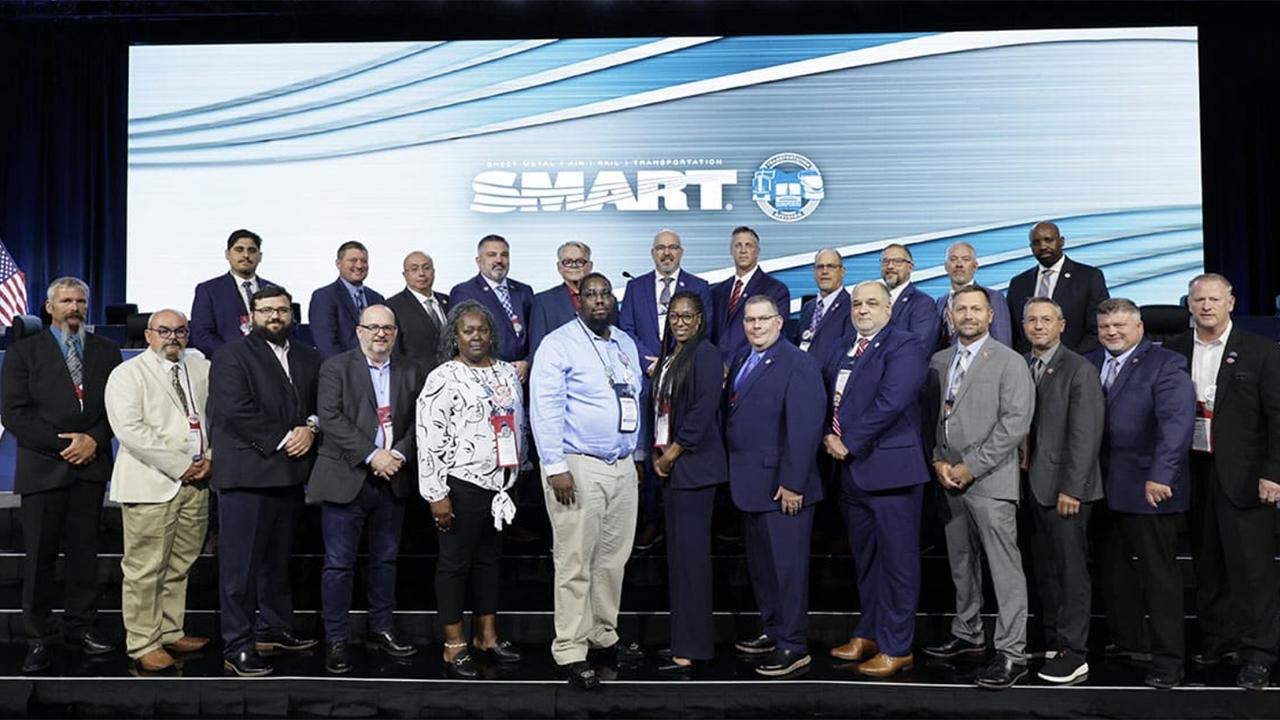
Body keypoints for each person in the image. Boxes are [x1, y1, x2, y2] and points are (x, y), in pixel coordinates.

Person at [1164, 273, 1280, 691]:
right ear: (1189, 305)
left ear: (1231, 303)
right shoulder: (1173, 350)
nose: (1206, 306)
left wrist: (1274, 473)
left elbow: (1278, 417)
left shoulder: (1262, 352)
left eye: (1214, 299)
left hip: (1246, 477)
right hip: (1194, 474)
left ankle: (1259, 654)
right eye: (1199, 300)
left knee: (1252, 571)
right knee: (1208, 564)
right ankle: (1218, 640)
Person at [2, 277, 122, 674]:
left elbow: (116, 409)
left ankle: (82, 626)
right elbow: (14, 413)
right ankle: (39, 636)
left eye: (81, 301)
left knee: (84, 556)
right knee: (39, 559)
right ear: (49, 307)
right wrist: (66, 445)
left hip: (90, 468)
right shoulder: (23, 353)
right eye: (66, 300)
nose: (75, 307)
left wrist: (94, 439)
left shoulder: (107, 352)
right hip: (44, 469)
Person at [531, 272, 644, 690]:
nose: (599, 300)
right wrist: (554, 466)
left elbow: (635, 402)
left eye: (605, 294)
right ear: (577, 300)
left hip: (622, 464)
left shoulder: (626, 343)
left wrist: (640, 456)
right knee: (575, 562)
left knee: (613, 561)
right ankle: (571, 650)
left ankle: (602, 635)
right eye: (590, 294)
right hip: (577, 466)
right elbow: (544, 409)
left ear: (613, 300)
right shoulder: (558, 343)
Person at [923, 284, 1034, 690]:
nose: (967, 315)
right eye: (960, 309)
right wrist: (937, 460)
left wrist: (970, 466)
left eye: (976, 309)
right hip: (948, 479)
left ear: (990, 316)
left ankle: (1012, 652)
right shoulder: (938, 360)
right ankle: (968, 632)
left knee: (1004, 570)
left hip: (989, 481)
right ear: (950, 316)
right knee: (960, 564)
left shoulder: (1009, 361)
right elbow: (934, 419)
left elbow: (1014, 425)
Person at [208, 286, 320, 677]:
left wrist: (311, 427)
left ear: (293, 315)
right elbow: (236, 411)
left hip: (289, 477)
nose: (275, 316)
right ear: (251, 315)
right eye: (267, 310)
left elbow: (316, 407)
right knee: (239, 571)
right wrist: (288, 437)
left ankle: (273, 630)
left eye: (283, 310)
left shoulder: (308, 356)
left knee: (276, 564)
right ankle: (237, 645)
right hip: (247, 477)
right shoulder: (230, 356)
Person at [307, 304, 423, 675]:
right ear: (359, 332)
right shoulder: (335, 367)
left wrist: (398, 456)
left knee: (386, 562)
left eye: (387, 328)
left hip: (394, 479)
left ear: (396, 333)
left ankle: (383, 629)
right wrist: (374, 456)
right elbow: (332, 419)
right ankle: (337, 639)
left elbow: (419, 421)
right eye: (372, 327)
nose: (380, 334)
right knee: (339, 565)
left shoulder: (410, 370)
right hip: (348, 478)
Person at [822, 282, 929, 677]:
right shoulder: (842, 347)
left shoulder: (904, 345)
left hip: (891, 473)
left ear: (888, 308)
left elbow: (891, 400)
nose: (863, 309)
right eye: (857, 303)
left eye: (871, 303)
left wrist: (847, 442)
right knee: (866, 562)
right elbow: (831, 399)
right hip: (851, 474)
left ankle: (897, 645)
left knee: (898, 564)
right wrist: (827, 435)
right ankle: (869, 632)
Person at [1088, 298, 1195, 689]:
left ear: (1139, 328)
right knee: (1115, 573)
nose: (1111, 333)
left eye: (1119, 325)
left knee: (1160, 578)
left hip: (1150, 487)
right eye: (1104, 327)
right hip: (1101, 486)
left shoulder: (1166, 364)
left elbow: (1177, 425)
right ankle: (1130, 642)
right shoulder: (1089, 361)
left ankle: (1169, 660)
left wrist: (1161, 475)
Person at [418, 301, 527, 679]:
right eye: (468, 330)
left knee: (489, 563)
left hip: (501, 486)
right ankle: (454, 645)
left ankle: (487, 637)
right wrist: (436, 494)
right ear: (455, 336)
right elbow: (428, 439)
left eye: (482, 329)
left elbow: (519, 423)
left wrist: (516, 474)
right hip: (460, 486)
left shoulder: (506, 374)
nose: (476, 336)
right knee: (454, 565)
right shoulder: (442, 377)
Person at [104, 309, 212, 673]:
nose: (173, 336)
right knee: (144, 569)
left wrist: (208, 458)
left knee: (180, 565)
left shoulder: (201, 368)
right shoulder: (127, 374)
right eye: (164, 330)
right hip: (152, 484)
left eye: (180, 330)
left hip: (198, 482)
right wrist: (181, 465)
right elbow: (131, 431)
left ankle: (169, 630)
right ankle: (143, 642)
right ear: (148, 335)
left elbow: (216, 418)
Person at [725, 295, 825, 677]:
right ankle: (775, 630)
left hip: (784, 489)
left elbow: (804, 427)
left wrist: (793, 483)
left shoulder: (798, 363)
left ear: (780, 322)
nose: (756, 326)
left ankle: (794, 644)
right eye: (750, 320)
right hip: (750, 485)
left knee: (788, 572)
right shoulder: (741, 359)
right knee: (764, 570)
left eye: (763, 319)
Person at [1019, 297, 1104, 684]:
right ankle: (1053, 642)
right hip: (1030, 486)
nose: (1038, 326)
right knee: (1046, 571)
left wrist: (1073, 488)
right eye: (1032, 320)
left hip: (1065, 490)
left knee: (1071, 574)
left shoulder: (1079, 368)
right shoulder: (1020, 364)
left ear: (1062, 325)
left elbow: (1085, 435)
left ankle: (1075, 653)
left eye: (1046, 320)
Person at [648, 291, 727, 676]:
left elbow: (700, 411)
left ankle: (695, 645)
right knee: (678, 561)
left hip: (693, 470)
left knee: (692, 562)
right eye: (674, 316)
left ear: (699, 319)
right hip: (671, 470)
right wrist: (657, 451)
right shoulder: (669, 358)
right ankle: (682, 640)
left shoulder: (706, 354)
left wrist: (672, 453)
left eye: (686, 316)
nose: (679, 322)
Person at [617, 229, 711, 552]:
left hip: (684, 379)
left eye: (672, 248)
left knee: (678, 443)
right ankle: (651, 520)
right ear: (652, 253)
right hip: (646, 381)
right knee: (648, 450)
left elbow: (704, 331)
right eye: (660, 248)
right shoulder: (635, 286)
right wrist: (651, 362)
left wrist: (675, 361)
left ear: (681, 252)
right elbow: (626, 331)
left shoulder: (699, 287)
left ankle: (672, 521)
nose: (666, 253)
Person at [1006, 221, 1109, 354]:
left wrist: (1070, 362)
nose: (1043, 246)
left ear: (1061, 241)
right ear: (1031, 247)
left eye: (1048, 240)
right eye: (1036, 242)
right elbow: (1014, 333)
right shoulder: (1018, 283)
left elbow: (1099, 327)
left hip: (1074, 366)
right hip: (1027, 368)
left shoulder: (1089, 277)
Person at [449, 234, 535, 383]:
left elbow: (534, 333)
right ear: (478, 261)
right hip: (485, 379)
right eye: (491, 255)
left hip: (524, 378)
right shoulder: (464, 292)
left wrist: (527, 362)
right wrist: (499, 367)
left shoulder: (524, 291)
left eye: (504, 255)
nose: (499, 260)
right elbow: (463, 341)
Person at [189, 229, 277, 358]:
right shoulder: (209, 290)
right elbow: (202, 335)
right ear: (227, 254)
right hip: (229, 365)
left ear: (260, 256)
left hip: (271, 362)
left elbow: (289, 328)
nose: (246, 255)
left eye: (252, 250)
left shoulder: (275, 290)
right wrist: (233, 357)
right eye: (239, 250)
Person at [710, 226, 791, 364]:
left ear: (757, 251)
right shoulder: (717, 292)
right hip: (715, 371)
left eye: (748, 245)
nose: (743, 250)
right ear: (731, 251)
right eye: (738, 245)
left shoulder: (776, 290)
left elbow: (773, 336)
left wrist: (733, 364)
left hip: (751, 369)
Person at [530, 241, 616, 358]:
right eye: (567, 262)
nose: (574, 266)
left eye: (580, 261)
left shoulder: (607, 300)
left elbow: (617, 339)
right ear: (559, 268)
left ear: (590, 266)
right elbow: (538, 349)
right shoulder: (542, 302)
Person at [310, 241, 386, 360]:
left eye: (364, 261)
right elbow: (327, 346)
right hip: (342, 373)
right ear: (338, 264)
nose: (359, 266)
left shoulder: (377, 298)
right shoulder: (324, 297)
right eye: (353, 260)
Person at [934, 242, 1012, 348]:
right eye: (953, 259)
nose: (959, 264)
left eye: (965, 259)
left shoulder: (993, 297)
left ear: (975, 266)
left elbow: (1003, 344)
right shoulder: (940, 302)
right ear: (946, 267)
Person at [384, 251, 450, 375]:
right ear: (405, 275)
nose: (421, 273)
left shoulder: (448, 301)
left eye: (426, 268)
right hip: (416, 380)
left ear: (433, 272)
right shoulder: (392, 306)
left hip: (452, 378)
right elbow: (394, 352)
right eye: (414, 269)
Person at [791, 248, 850, 359]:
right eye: (820, 267)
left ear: (842, 272)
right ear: (814, 272)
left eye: (831, 266)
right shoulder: (808, 307)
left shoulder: (851, 307)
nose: (824, 271)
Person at [879, 243, 937, 340]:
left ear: (910, 267)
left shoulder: (923, 303)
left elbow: (920, 345)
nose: (890, 266)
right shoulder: (872, 301)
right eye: (885, 261)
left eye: (897, 261)